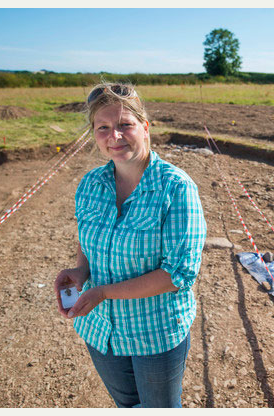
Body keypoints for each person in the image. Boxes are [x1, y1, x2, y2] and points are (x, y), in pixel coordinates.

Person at [54, 82, 207, 408]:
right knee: (127, 406)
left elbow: (176, 275)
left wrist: (103, 292)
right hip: (99, 330)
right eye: (103, 128)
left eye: (125, 125)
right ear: (93, 134)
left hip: (155, 333)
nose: (115, 136)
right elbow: (86, 239)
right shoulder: (91, 183)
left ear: (145, 127)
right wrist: (80, 272)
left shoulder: (176, 188)